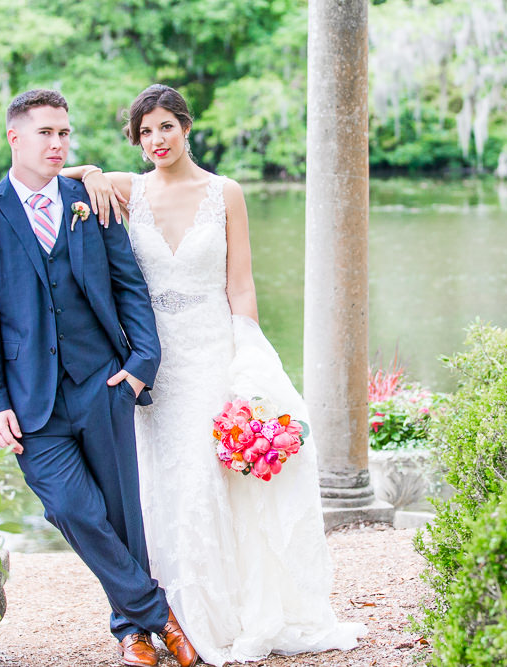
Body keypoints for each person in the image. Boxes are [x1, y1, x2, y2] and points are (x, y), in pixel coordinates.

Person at [63, 84, 366, 665]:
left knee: (211, 475)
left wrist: (247, 364)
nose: (156, 140)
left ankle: (220, 614)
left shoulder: (225, 192)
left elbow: (241, 285)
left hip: (212, 348)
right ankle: (168, 614)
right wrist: (94, 169)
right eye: (145, 132)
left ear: (186, 127)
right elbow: (52, 180)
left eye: (165, 127)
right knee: (163, 481)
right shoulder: (130, 189)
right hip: (156, 360)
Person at [0, 89, 198, 667]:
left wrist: (140, 366)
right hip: (30, 401)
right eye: (46, 132)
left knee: (122, 513)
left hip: (103, 384)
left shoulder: (90, 199)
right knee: (73, 509)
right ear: (14, 136)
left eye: (64, 133)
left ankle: (131, 632)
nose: (58, 143)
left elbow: (130, 285)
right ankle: (157, 613)